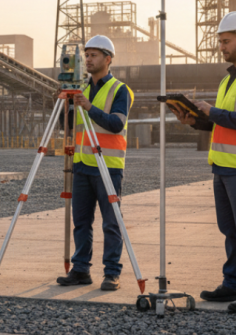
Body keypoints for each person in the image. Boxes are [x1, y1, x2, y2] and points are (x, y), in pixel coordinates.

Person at [171, 11, 236, 314]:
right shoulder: (229, 79)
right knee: (230, 229)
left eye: (226, 41)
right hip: (224, 166)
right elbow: (224, 125)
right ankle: (233, 283)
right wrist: (194, 120)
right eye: (220, 42)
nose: (221, 46)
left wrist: (212, 111)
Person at [57, 35, 134, 291]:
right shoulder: (81, 89)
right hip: (81, 165)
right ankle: (81, 270)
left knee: (111, 223)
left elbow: (116, 124)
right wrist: (65, 104)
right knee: (81, 222)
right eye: (86, 55)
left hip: (108, 167)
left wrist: (89, 107)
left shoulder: (120, 90)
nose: (87, 60)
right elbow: (66, 127)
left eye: (93, 55)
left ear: (107, 59)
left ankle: (112, 272)